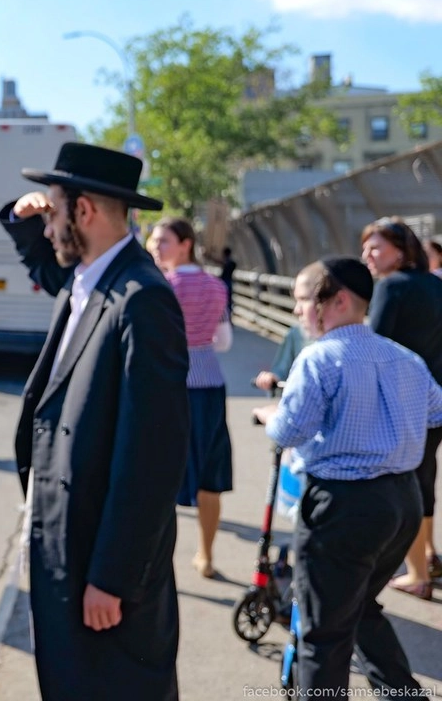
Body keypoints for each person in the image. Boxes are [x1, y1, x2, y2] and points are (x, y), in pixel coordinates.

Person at [0, 142, 190, 700]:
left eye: (56, 211)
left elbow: (152, 459)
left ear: (84, 212)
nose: (50, 223)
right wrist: (24, 218)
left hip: (100, 564)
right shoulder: (90, 277)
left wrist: (113, 576)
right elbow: (44, 264)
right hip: (67, 539)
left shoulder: (143, 300)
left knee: (110, 685)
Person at [254, 257, 440, 695]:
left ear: (336, 301)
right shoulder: (404, 357)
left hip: (343, 507)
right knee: (358, 609)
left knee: (324, 633)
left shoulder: (318, 359)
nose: (298, 311)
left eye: (303, 300)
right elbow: (435, 409)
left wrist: (269, 415)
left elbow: (291, 430)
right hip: (402, 503)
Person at [360, 217, 442, 598]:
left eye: (375, 247)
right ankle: (427, 556)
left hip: (406, 402)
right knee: (427, 478)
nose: (367, 255)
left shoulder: (392, 287)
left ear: (401, 250)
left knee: (412, 482)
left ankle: (418, 574)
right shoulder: (434, 285)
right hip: (436, 397)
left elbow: (373, 347)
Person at [151, 217, 233, 579]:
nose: (156, 246)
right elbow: (225, 342)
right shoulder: (216, 286)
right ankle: (206, 554)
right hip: (210, 383)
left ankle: (155, 559)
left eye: (163, 240)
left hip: (170, 384)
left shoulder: (160, 286)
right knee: (209, 477)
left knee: (160, 474)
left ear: (185, 243)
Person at [219, 245, 237, 315]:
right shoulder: (232, 262)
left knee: (225, 301)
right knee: (229, 301)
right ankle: (228, 315)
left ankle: (226, 315)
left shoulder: (229, 262)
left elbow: (222, 263)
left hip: (225, 283)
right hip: (229, 283)